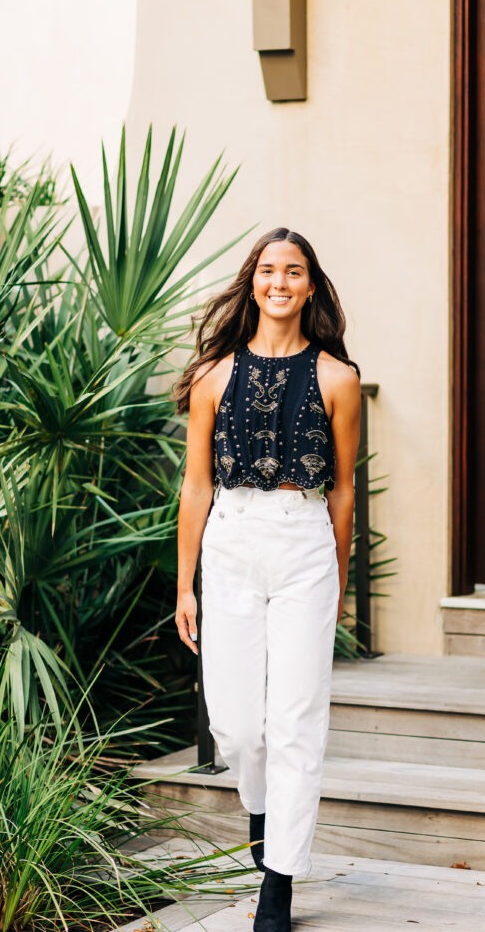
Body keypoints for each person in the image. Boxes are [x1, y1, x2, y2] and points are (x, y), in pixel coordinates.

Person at [171, 227, 361, 932]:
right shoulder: (213, 377)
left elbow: (341, 490)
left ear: (310, 286)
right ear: (252, 281)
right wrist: (184, 583)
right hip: (231, 541)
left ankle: (277, 880)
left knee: (295, 719)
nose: (278, 282)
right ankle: (260, 805)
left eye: (293, 271)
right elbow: (195, 487)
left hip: (303, 540)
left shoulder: (338, 378)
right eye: (267, 269)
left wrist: (337, 578)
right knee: (237, 725)